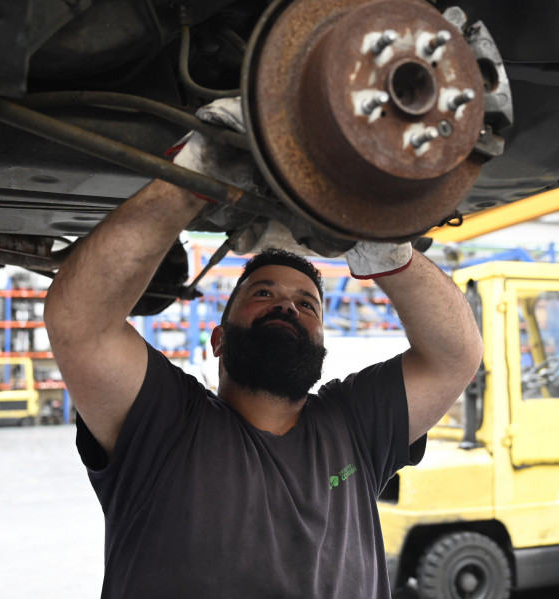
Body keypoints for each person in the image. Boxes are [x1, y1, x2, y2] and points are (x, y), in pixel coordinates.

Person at [43, 99, 483, 598]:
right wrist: (197, 174)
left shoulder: (353, 425)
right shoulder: (165, 421)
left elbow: (456, 356)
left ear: (321, 346)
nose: (288, 307)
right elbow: (81, 324)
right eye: (263, 294)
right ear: (219, 338)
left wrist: (382, 250)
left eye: (307, 304)